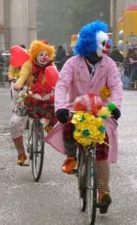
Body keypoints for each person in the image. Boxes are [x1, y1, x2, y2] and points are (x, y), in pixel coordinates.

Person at [46, 21, 123, 214]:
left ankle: (103, 193)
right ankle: (71, 157)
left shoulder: (109, 64)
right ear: (91, 44)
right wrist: (60, 108)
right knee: (68, 126)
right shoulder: (73, 63)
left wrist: (115, 107)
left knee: (102, 144)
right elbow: (62, 85)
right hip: (76, 108)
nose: (107, 47)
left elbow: (116, 87)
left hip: (101, 111)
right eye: (103, 43)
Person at [10, 40, 57, 166]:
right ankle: (21, 153)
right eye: (41, 54)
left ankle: (47, 127)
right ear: (35, 54)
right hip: (28, 96)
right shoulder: (28, 64)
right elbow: (22, 76)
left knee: (58, 117)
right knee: (14, 123)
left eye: (46, 54)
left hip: (46, 97)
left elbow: (57, 79)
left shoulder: (51, 66)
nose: (44, 57)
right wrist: (18, 85)